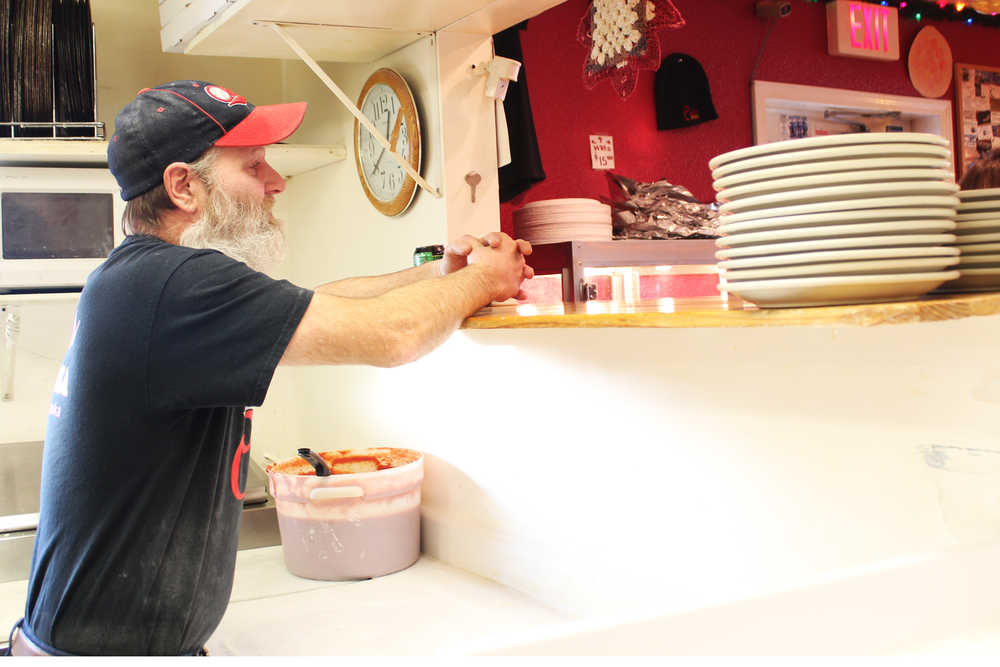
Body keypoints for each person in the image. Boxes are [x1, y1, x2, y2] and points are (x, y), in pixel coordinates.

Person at [6, 80, 532, 656]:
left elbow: (316, 301)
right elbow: (394, 335)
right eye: (254, 166)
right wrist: (486, 279)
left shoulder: (146, 279)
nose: (276, 182)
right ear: (184, 186)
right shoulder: (173, 284)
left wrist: (442, 273)